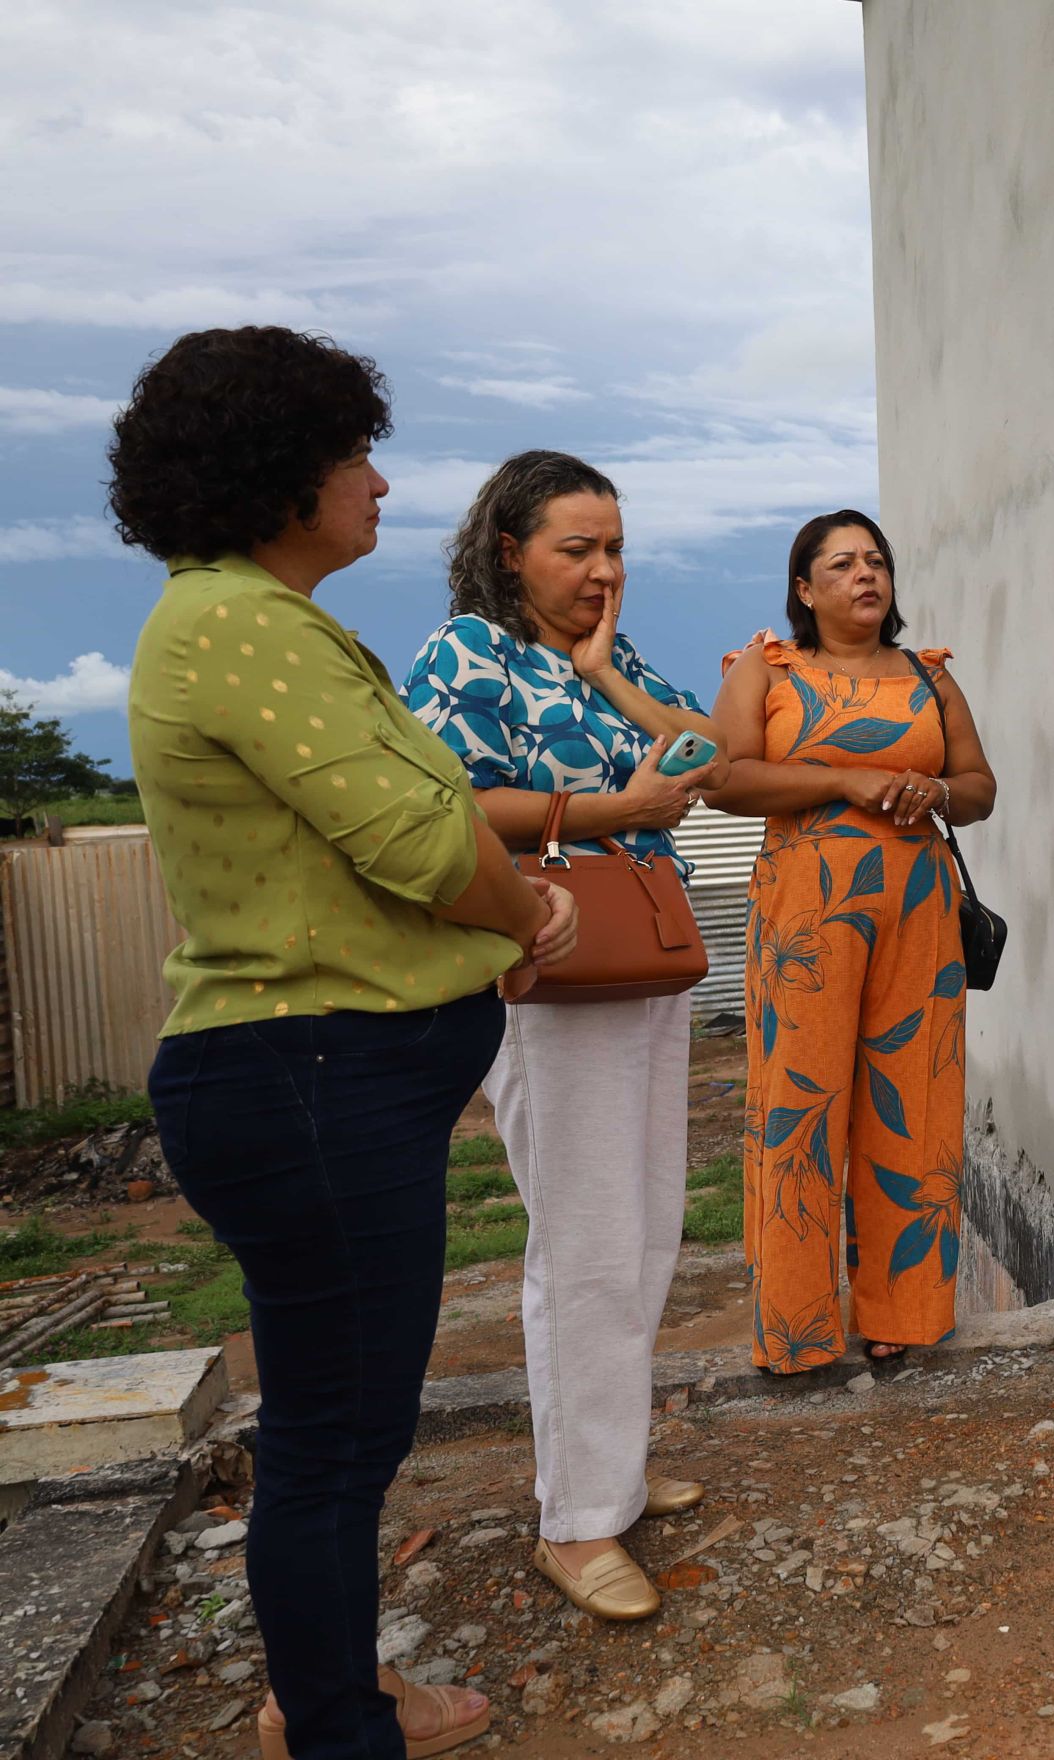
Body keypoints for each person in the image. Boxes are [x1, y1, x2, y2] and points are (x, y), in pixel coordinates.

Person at [117, 326, 574, 1760]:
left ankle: (326, 1693)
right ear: (279, 472)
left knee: (334, 1428)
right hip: (310, 1079)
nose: (379, 483)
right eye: (355, 456)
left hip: (312, 1080)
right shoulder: (240, 625)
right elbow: (422, 835)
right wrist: (531, 915)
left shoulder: (250, 619)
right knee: (335, 1441)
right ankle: (334, 1726)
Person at [405, 451, 723, 1621]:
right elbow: (445, 800)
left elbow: (709, 751)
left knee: (644, 1223)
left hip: (644, 953)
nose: (602, 570)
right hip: (548, 960)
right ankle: (577, 1520)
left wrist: (607, 679)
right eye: (576, 548)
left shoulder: (609, 653)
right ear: (509, 548)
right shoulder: (467, 654)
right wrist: (614, 809)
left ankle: (613, 1468)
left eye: (614, 548)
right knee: (585, 1237)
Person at [705, 512, 995, 1371]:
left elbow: (979, 787)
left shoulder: (927, 676)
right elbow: (723, 779)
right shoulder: (767, 668)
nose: (865, 574)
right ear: (804, 588)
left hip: (919, 906)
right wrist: (845, 780)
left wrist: (937, 790)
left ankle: (904, 1311)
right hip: (804, 912)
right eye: (841, 564)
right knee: (801, 1108)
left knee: (914, 1098)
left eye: (876, 561)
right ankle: (797, 1330)